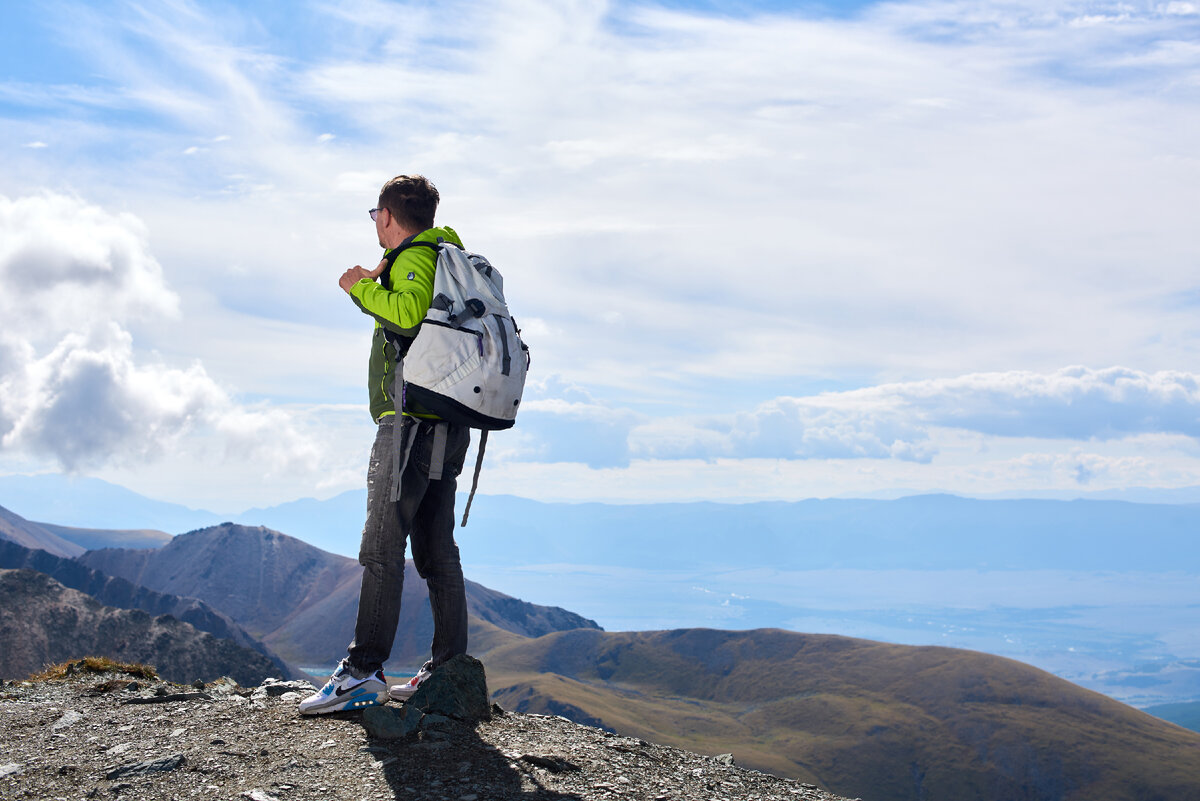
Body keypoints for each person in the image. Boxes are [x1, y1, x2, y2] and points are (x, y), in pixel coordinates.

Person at [300, 175, 471, 715]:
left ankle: (363, 670)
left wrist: (360, 287)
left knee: (381, 548)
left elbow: (408, 313)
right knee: (436, 550)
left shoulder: (416, 258)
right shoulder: (449, 257)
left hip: (409, 427)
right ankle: (448, 670)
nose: (374, 220)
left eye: (375, 212)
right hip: (445, 423)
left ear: (391, 215)